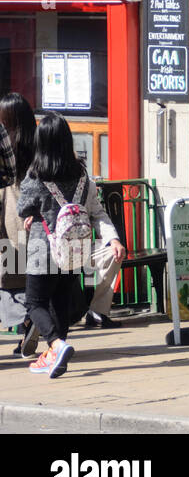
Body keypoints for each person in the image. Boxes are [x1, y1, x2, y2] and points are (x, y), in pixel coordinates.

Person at [18, 113, 124, 378]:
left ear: (41, 142)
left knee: (35, 302)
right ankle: (55, 355)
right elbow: (96, 210)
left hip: (44, 248)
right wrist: (113, 238)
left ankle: (56, 344)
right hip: (74, 249)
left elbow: (23, 208)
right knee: (60, 302)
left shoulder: (35, 176)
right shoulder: (81, 175)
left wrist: (35, 214)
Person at [0, 94, 36, 355]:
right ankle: (33, 321)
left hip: (8, 216)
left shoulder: (5, 142)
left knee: (9, 279)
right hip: (35, 220)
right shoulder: (39, 143)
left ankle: (25, 324)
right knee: (33, 277)